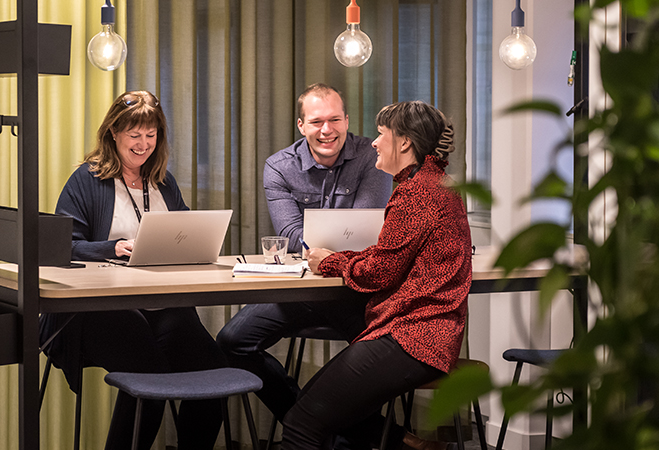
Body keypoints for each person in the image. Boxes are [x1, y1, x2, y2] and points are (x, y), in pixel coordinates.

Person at [39, 91, 228, 450]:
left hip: (162, 303)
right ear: (114, 133)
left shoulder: (164, 182)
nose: (144, 144)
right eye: (134, 135)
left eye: (151, 135)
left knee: (214, 371)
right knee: (151, 379)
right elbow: (61, 245)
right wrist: (112, 248)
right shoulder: (87, 180)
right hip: (99, 308)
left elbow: (185, 232)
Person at [281, 101, 473, 450]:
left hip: (413, 337)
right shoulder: (436, 184)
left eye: (382, 134)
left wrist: (329, 262)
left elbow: (379, 271)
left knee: (300, 423)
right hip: (431, 333)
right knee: (321, 411)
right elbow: (391, 256)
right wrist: (341, 258)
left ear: (403, 143)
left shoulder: (417, 194)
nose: (373, 142)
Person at [216, 84, 392, 422]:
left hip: (355, 290)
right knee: (231, 341)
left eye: (334, 120)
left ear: (347, 120)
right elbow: (290, 234)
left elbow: (368, 232)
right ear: (301, 125)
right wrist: (329, 248)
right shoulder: (279, 166)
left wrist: (327, 251)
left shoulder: (372, 157)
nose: (327, 130)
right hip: (302, 289)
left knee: (383, 353)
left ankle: (320, 431)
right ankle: (306, 422)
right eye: (316, 122)